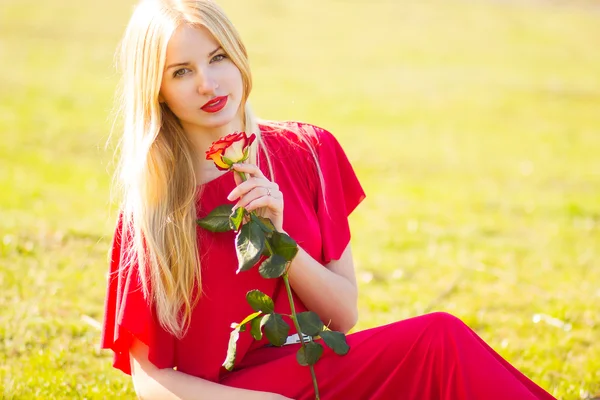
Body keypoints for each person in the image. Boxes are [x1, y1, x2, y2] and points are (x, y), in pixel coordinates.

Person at [100, 1, 556, 399]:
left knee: (439, 339)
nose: (207, 83)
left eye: (217, 57)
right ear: (156, 91)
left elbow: (343, 315)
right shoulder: (155, 207)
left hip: (322, 372)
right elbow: (149, 381)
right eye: (182, 72)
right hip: (231, 396)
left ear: (238, 55)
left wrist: (279, 241)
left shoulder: (310, 152)